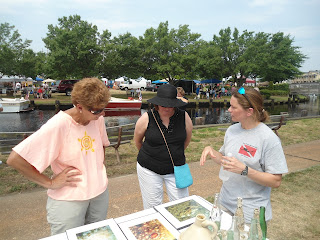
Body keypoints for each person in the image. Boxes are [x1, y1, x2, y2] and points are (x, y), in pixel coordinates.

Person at [7, 78, 111, 235]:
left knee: (96, 236)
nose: (102, 113)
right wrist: (50, 182)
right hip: (69, 200)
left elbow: (102, 145)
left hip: (99, 194)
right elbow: (15, 159)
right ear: (79, 106)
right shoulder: (58, 125)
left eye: (104, 108)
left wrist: (96, 169)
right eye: (97, 110)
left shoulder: (98, 119)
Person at [200, 87, 288, 224]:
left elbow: (276, 181)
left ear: (249, 111)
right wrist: (211, 151)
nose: (229, 110)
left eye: (233, 107)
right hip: (224, 204)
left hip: (250, 213)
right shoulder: (232, 130)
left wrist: (245, 170)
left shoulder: (268, 139)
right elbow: (225, 160)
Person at [134, 84, 193, 209]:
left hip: (176, 168)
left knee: (182, 206)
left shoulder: (184, 116)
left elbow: (186, 139)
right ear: (157, 103)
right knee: (153, 207)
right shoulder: (146, 118)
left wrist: (175, 152)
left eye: (170, 104)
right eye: (163, 104)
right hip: (149, 168)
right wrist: (153, 155)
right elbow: (138, 141)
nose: (167, 108)